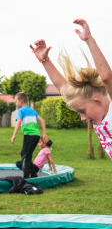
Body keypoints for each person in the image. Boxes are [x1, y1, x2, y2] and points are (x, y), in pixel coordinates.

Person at [30, 18, 112, 160]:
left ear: (97, 100)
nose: (82, 118)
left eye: (82, 111)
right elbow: (62, 87)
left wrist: (89, 40)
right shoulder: (99, 118)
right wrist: (44, 61)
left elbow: (106, 77)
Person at [11, 92, 48, 178]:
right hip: (36, 135)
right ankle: (33, 173)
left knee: (25, 157)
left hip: (29, 135)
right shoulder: (32, 110)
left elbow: (18, 122)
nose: (16, 103)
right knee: (25, 154)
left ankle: (26, 177)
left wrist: (14, 135)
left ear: (20, 101)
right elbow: (42, 121)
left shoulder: (20, 110)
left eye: (16, 101)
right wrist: (44, 134)